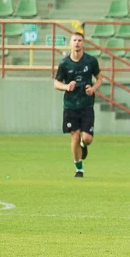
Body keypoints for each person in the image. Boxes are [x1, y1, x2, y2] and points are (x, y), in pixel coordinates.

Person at [53, 32, 103, 178]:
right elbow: (56, 83)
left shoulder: (91, 61)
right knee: (74, 135)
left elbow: (100, 78)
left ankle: (83, 145)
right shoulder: (64, 63)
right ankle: (79, 169)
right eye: (74, 40)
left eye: (79, 40)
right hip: (70, 105)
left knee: (87, 138)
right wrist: (67, 87)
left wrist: (93, 89)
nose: (77, 43)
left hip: (86, 104)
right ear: (70, 43)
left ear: (83, 43)